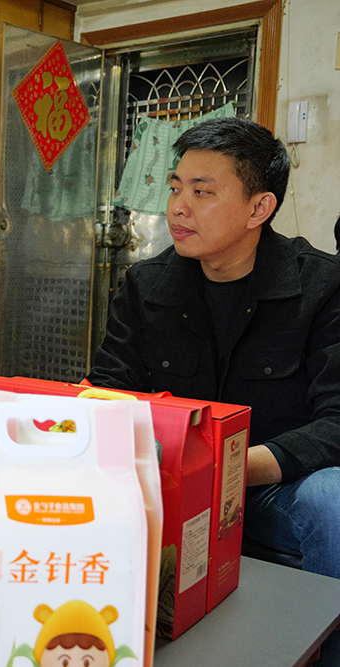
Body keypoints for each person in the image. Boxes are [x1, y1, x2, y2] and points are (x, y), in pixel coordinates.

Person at [87, 116, 340, 582]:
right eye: (175, 188)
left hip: (273, 488)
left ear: (258, 208)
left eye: (201, 192)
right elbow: (110, 388)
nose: (178, 208)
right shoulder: (146, 285)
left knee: (331, 497)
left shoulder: (323, 286)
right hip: (168, 482)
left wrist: (227, 469)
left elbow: (336, 422)